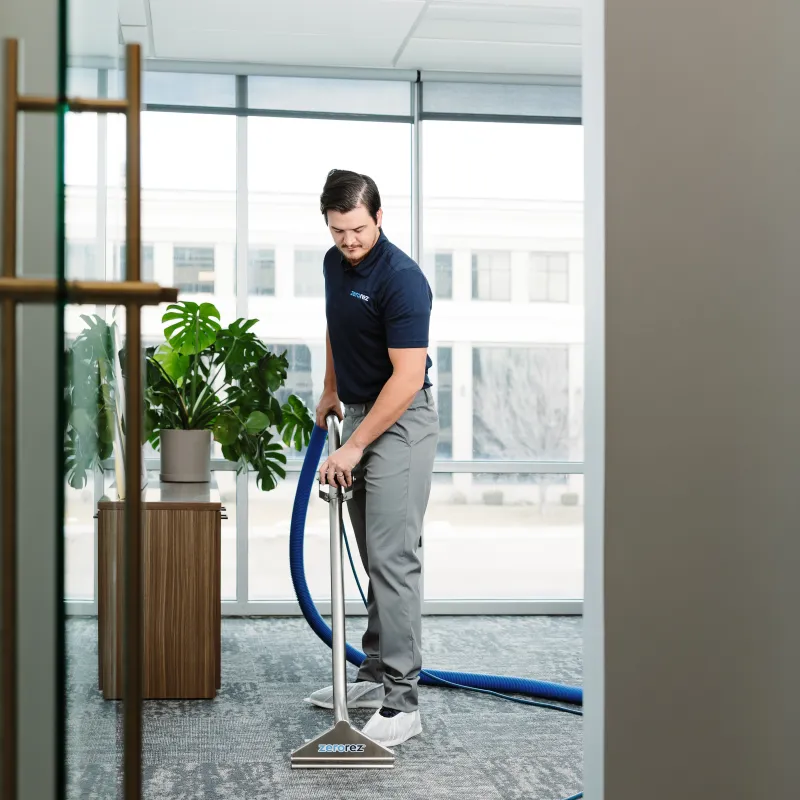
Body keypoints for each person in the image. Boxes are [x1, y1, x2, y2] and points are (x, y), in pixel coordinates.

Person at [306, 169, 439, 748]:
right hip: (359, 410)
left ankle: (403, 700)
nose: (348, 242)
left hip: (402, 420)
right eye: (338, 231)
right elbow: (336, 325)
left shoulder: (403, 279)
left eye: (357, 229)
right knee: (370, 549)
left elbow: (408, 376)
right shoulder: (335, 263)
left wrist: (356, 445)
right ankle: (374, 669)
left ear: (378, 218)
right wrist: (332, 387)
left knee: (393, 555)